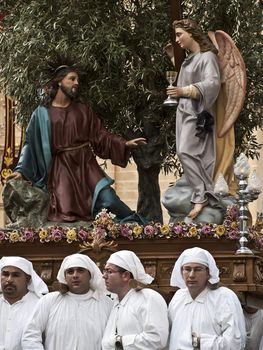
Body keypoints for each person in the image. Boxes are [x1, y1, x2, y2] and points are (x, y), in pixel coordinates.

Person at [5, 64, 146, 225]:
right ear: (59, 81)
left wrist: (124, 143)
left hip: (87, 167)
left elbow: (100, 135)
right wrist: (21, 171)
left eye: (77, 79)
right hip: (61, 171)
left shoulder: (83, 111)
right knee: (66, 213)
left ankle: (137, 228)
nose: (76, 83)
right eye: (72, 79)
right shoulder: (41, 114)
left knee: (110, 201)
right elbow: (30, 144)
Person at [166, 19, 221, 219]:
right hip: (183, 112)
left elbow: (212, 83)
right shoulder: (189, 60)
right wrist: (174, 59)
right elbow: (185, 77)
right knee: (185, 151)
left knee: (186, 151)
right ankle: (199, 191)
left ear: (192, 34)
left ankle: (202, 195)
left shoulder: (208, 57)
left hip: (197, 113)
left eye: (180, 34)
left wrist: (183, 90)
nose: (177, 39)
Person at [22, 253, 113, 350]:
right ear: (64, 277)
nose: (75, 275)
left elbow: (112, 341)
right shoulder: (50, 301)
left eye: (80, 271)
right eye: (70, 272)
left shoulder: (106, 304)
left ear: (90, 275)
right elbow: (30, 335)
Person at [168, 247, 246, 349]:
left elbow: (236, 342)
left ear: (208, 272)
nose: (191, 275)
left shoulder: (224, 297)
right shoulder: (178, 297)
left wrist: (200, 343)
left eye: (198, 269)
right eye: (187, 269)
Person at [101, 250, 169, 350]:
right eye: (105, 271)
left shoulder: (148, 297)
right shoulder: (115, 302)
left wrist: (119, 342)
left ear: (126, 275)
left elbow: (157, 339)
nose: (104, 276)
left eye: (109, 271)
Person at [0, 256, 48, 350]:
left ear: (28, 279)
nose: (9, 279)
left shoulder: (40, 305)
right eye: (5, 274)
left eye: (16, 275)